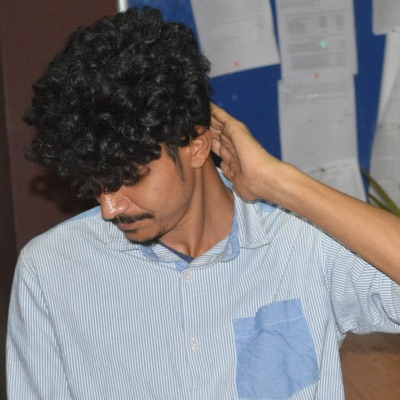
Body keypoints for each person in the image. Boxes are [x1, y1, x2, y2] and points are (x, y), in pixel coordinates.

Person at [6, 6, 400, 400]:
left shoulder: (303, 242)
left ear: (196, 145)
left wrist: (281, 182)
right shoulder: (51, 270)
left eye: (130, 178)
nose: (110, 207)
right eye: (94, 183)